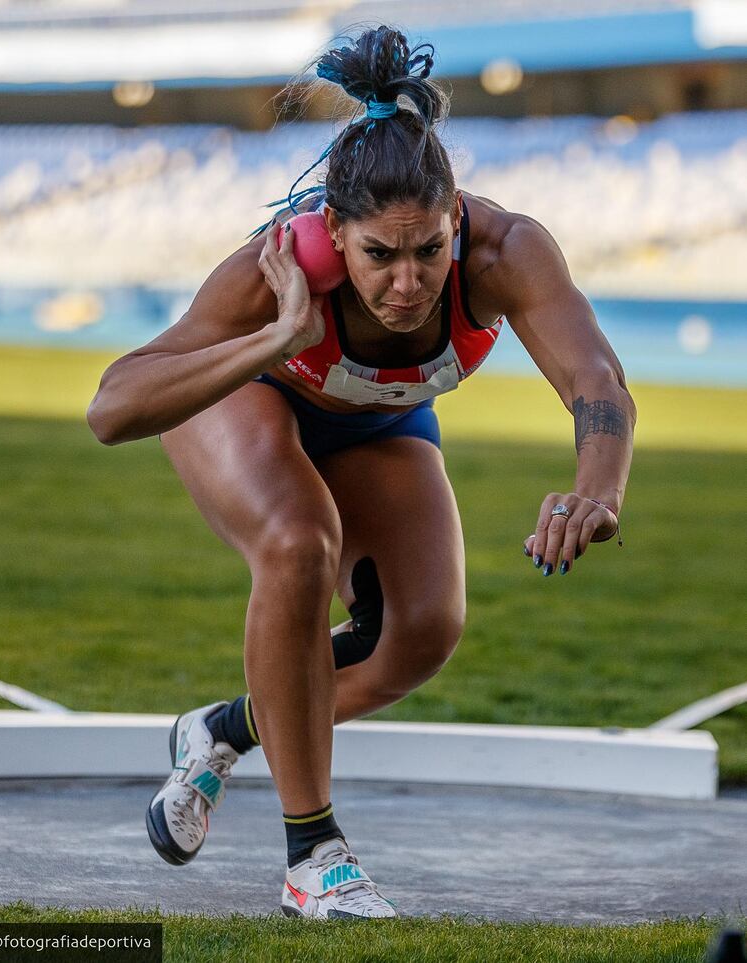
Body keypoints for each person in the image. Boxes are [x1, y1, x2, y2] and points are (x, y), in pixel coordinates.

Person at [87, 26, 635, 920]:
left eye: (428, 249)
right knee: (300, 541)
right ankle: (315, 856)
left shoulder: (505, 252)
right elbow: (113, 407)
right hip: (251, 390)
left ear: (456, 217)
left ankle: (220, 732)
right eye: (379, 254)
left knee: (419, 632)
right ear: (333, 232)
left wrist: (597, 492)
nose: (409, 282)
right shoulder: (275, 269)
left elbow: (597, 383)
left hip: (378, 420)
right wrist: (274, 338)